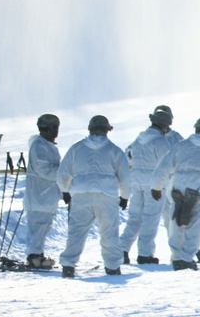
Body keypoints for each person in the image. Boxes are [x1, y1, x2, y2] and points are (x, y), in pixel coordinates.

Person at [56, 115, 131, 277]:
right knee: (109, 232)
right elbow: (125, 177)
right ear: (106, 130)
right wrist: (124, 197)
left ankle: (68, 265)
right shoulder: (115, 150)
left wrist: (66, 191)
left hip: (80, 196)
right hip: (107, 197)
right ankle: (112, 266)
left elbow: (62, 174)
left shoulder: (76, 148)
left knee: (76, 232)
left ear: (90, 129)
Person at [150, 116, 200, 271]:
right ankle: (186, 259)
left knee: (176, 225)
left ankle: (176, 258)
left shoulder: (181, 146)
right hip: (199, 196)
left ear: (196, 128)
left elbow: (164, 165)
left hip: (178, 192)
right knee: (194, 230)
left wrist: (156, 186)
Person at [119, 108, 174, 264]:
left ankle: (122, 249)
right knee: (150, 219)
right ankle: (145, 254)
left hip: (136, 183)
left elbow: (128, 156)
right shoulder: (161, 141)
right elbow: (167, 164)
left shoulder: (139, 138)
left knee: (134, 218)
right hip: (154, 186)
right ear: (165, 124)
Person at [23, 114, 63, 269]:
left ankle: (37, 255)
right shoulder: (39, 145)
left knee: (41, 227)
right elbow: (44, 170)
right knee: (38, 227)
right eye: (53, 128)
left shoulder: (46, 145)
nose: (55, 131)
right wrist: (64, 173)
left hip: (45, 196)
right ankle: (34, 257)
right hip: (40, 195)